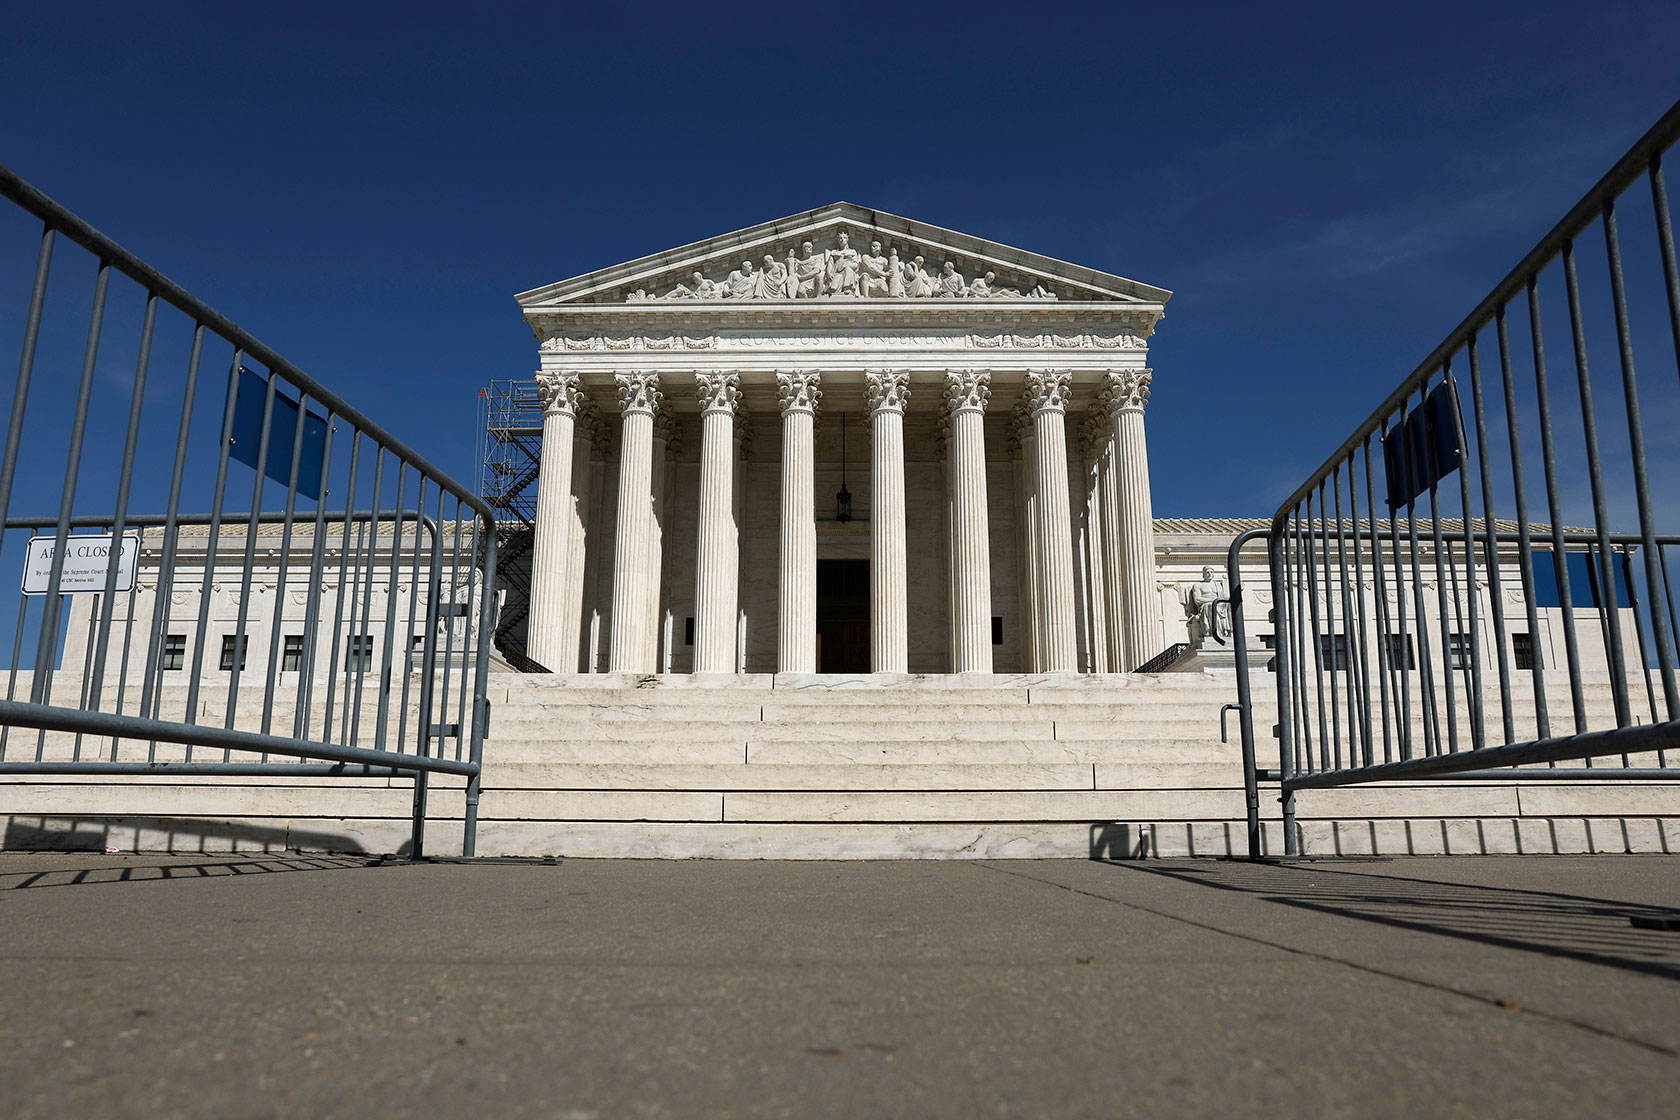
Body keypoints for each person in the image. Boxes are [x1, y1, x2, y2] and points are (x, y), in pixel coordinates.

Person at [1181, 566, 1232, 647]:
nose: (1209, 574)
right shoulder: (1198, 585)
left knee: (1231, 605)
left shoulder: (1217, 585)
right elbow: (1197, 600)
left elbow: (1222, 598)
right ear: (1203, 574)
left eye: (1211, 572)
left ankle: (1228, 632)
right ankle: (1214, 633)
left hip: (1219, 606)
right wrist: (1213, 600)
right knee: (1210, 605)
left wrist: (1215, 601)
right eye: (1207, 572)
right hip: (1204, 606)